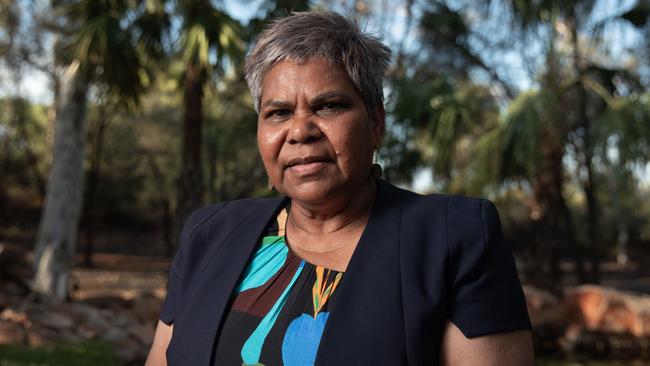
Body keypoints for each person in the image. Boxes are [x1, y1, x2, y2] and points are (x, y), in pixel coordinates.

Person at [146, 10, 533, 366]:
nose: (299, 131)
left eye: (328, 106)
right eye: (278, 113)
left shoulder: (453, 240)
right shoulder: (210, 234)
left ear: (376, 123)